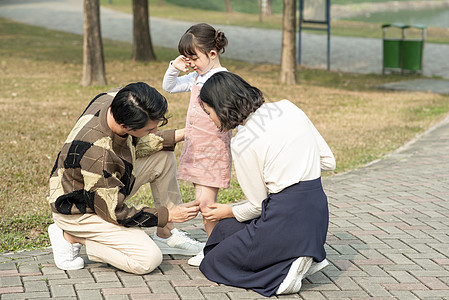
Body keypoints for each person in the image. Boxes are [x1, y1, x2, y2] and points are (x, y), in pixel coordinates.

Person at [196, 72, 336, 297]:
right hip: (317, 213)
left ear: (221, 107)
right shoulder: (288, 107)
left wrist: (227, 210)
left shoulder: (242, 141)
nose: (210, 119)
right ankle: (302, 252)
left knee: (212, 260)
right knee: (223, 231)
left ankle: (283, 274)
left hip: (285, 217)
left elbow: (257, 206)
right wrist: (297, 165)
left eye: (208, 111)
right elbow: (329, 161)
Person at [47, 82, 204, 274]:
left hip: (99, 188)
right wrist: (167, 214)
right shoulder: (99, 153)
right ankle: (70, 236)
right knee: (148, 260)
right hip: (80, 209)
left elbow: (134, 143)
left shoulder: (116, 98)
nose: (154, 131)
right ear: (125, 126)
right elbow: (114, 212)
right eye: (149, 130)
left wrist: (183, 135)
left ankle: (166, 234)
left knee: (163, 156)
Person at [162, 23, 232, 266]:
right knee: (205, 204)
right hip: (197, 150)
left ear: (212, 54)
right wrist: (174, 67)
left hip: (212, 152)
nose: (189, 63)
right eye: (186, 58)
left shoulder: (221, 80)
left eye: (193, 57)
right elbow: (169, 87)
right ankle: (214, 248)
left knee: (206, 205)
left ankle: (213, 251)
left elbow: (231, 117)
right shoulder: (196, 76)